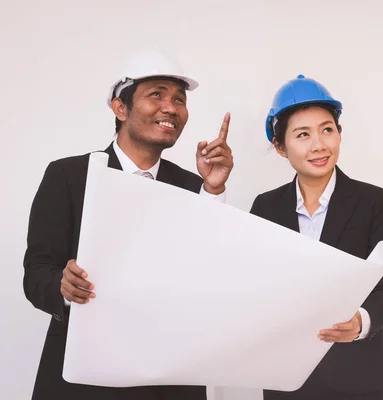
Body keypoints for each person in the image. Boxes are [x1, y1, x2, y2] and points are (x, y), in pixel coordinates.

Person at [22, 49, 234, 400]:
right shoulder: (68, 176)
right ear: (120, 108)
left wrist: (212, 190)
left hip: (169, 377)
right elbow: (37, 270)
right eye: (156, 95)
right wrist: (62, 287)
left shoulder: (194, 184)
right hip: (83, 377)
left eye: (179, 100)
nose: (171, 108)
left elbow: (209, 274)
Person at [250, 75, 383, 400]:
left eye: (327, 129)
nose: (319, 144)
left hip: (357, 374)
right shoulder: (265, 206)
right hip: (285, 376)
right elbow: (255, 290)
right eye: (303, 134)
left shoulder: (373, 202)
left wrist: (361, 322)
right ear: (279, 146)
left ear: (339, 134)